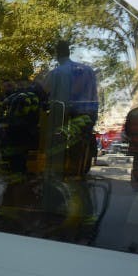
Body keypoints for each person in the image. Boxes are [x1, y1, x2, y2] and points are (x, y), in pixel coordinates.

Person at [40, 40, 99, 176]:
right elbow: (94, 95)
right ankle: (79, 172)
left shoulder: (56, 73)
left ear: (57, 54)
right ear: (69, 52)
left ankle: (66, 174)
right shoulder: (88, 71)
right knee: (80, 147)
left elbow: (43, 91)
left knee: (61, 148)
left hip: (64, 117)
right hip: (87, 116)